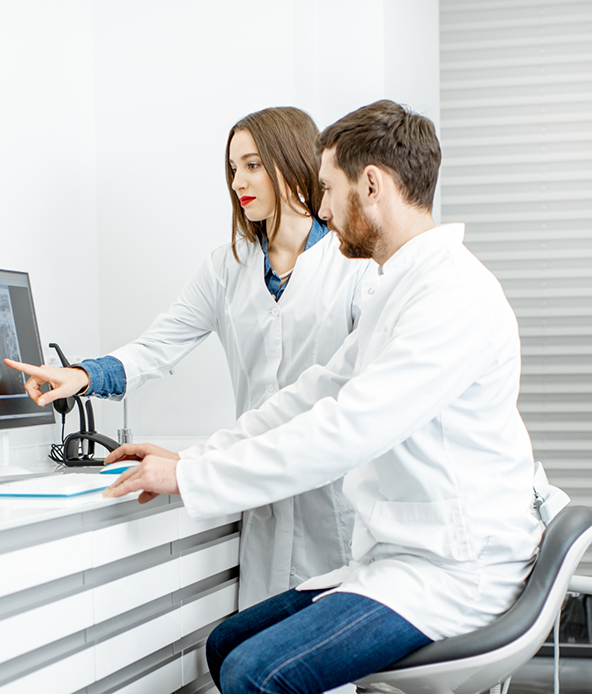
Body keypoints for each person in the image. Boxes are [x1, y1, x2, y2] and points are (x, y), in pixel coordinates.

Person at [98, 100, 544, 694]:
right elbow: (316, 394)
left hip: (455, 572)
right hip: (405, 558)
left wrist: (191, 481)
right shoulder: (398, 288)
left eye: (329, 190)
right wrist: (193, 461)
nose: (323, 208)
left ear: (372, 185)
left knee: (255, 673)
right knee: (225, 642)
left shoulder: (451, 296)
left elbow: (346, 427)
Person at [6, 106, 375, 610]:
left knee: (329, 671)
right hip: (257, 492)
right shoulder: (228, 267)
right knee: (258, 655)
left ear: (290, 165)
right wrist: (81, 375)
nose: (237, 181)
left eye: (252, 165)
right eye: (232, 169)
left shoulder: (351, 266)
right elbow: (159, 345)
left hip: (333, 496)